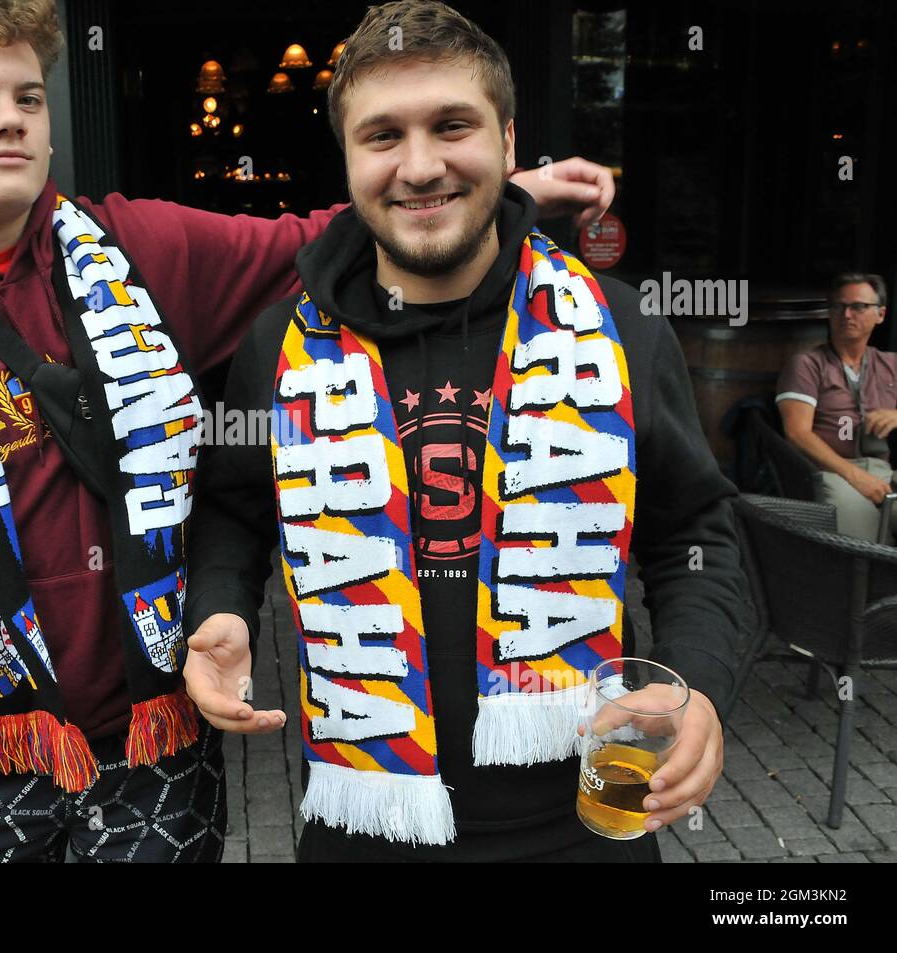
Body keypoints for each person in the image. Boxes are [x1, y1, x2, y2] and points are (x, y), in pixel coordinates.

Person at [0, 0, 618, 864]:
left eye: (28, 98)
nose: (9, 119)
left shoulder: (137, 248)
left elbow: (321, 241)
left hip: (157, 745)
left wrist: (497, 188)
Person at [181, 0, 747, 862]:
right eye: (382, 136)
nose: (419, 166)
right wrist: (222, 609)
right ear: (347, 157)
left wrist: (697, 685)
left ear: (511, 145)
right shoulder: (278, 345)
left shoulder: (617, 325)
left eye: (452, 126)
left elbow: (699, 534)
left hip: (592, 822)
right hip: (361, 825)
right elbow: (232, 513)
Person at [777, 274, 895, 542]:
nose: (847, 315)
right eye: (838, 307)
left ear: (880, 314)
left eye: (858, 307)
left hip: (883, 473)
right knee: (862, 546)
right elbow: (797, 433)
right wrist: (855, 476)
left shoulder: (890, 364)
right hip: (832, 472)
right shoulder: (807, 364)